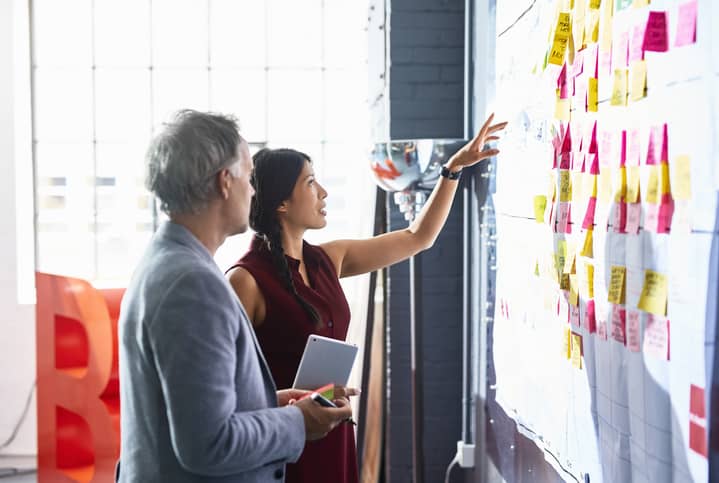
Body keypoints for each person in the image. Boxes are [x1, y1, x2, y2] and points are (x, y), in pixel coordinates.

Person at [226, 113, 507, 483]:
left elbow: (417, 237)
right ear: (281, 204)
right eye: (311, 183)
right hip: (286, 437)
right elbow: (226, 390)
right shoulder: (245, 281)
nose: (323, 192)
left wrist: (452, 169)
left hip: (334, 428)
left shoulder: (328, 258)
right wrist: (285, 405)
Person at [117, 109, 352, 483]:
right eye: (248, 176)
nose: (254, 190)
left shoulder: (171, 260)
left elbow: (192, 413)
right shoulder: (191, 286)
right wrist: (297, 421)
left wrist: (270, 405)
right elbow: (207, 444)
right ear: (225, 182)